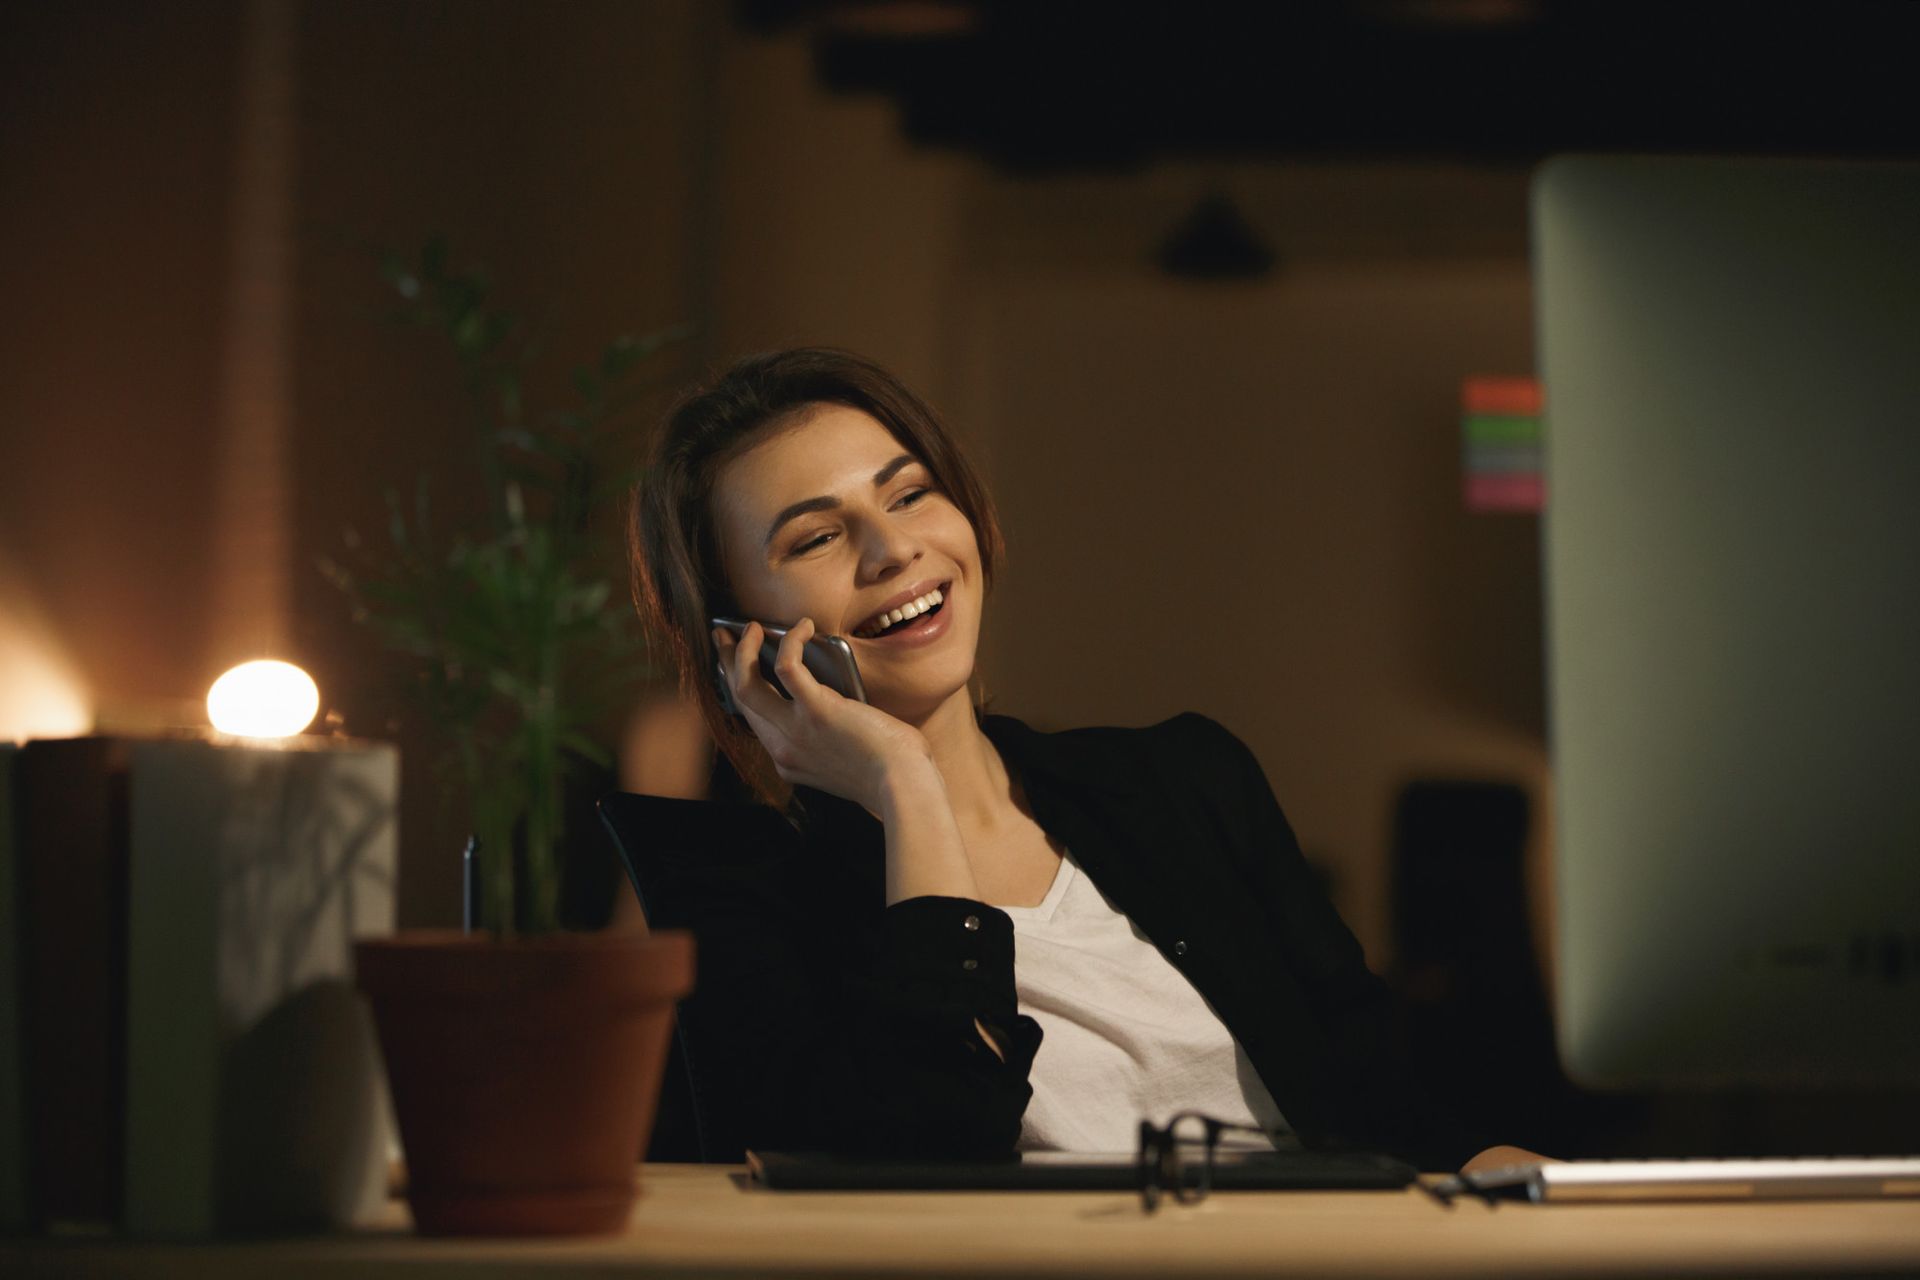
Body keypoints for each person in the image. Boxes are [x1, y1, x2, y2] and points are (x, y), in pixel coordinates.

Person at [628, 347, 1542, 1172]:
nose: (894, 548)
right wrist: (907, 786)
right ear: (737, 638)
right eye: (817, 537)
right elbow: (924, 1167)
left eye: (909, 494)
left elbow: (1384, 1099)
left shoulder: (1183, 782)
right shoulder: (746, 903)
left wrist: (1498, 1168)